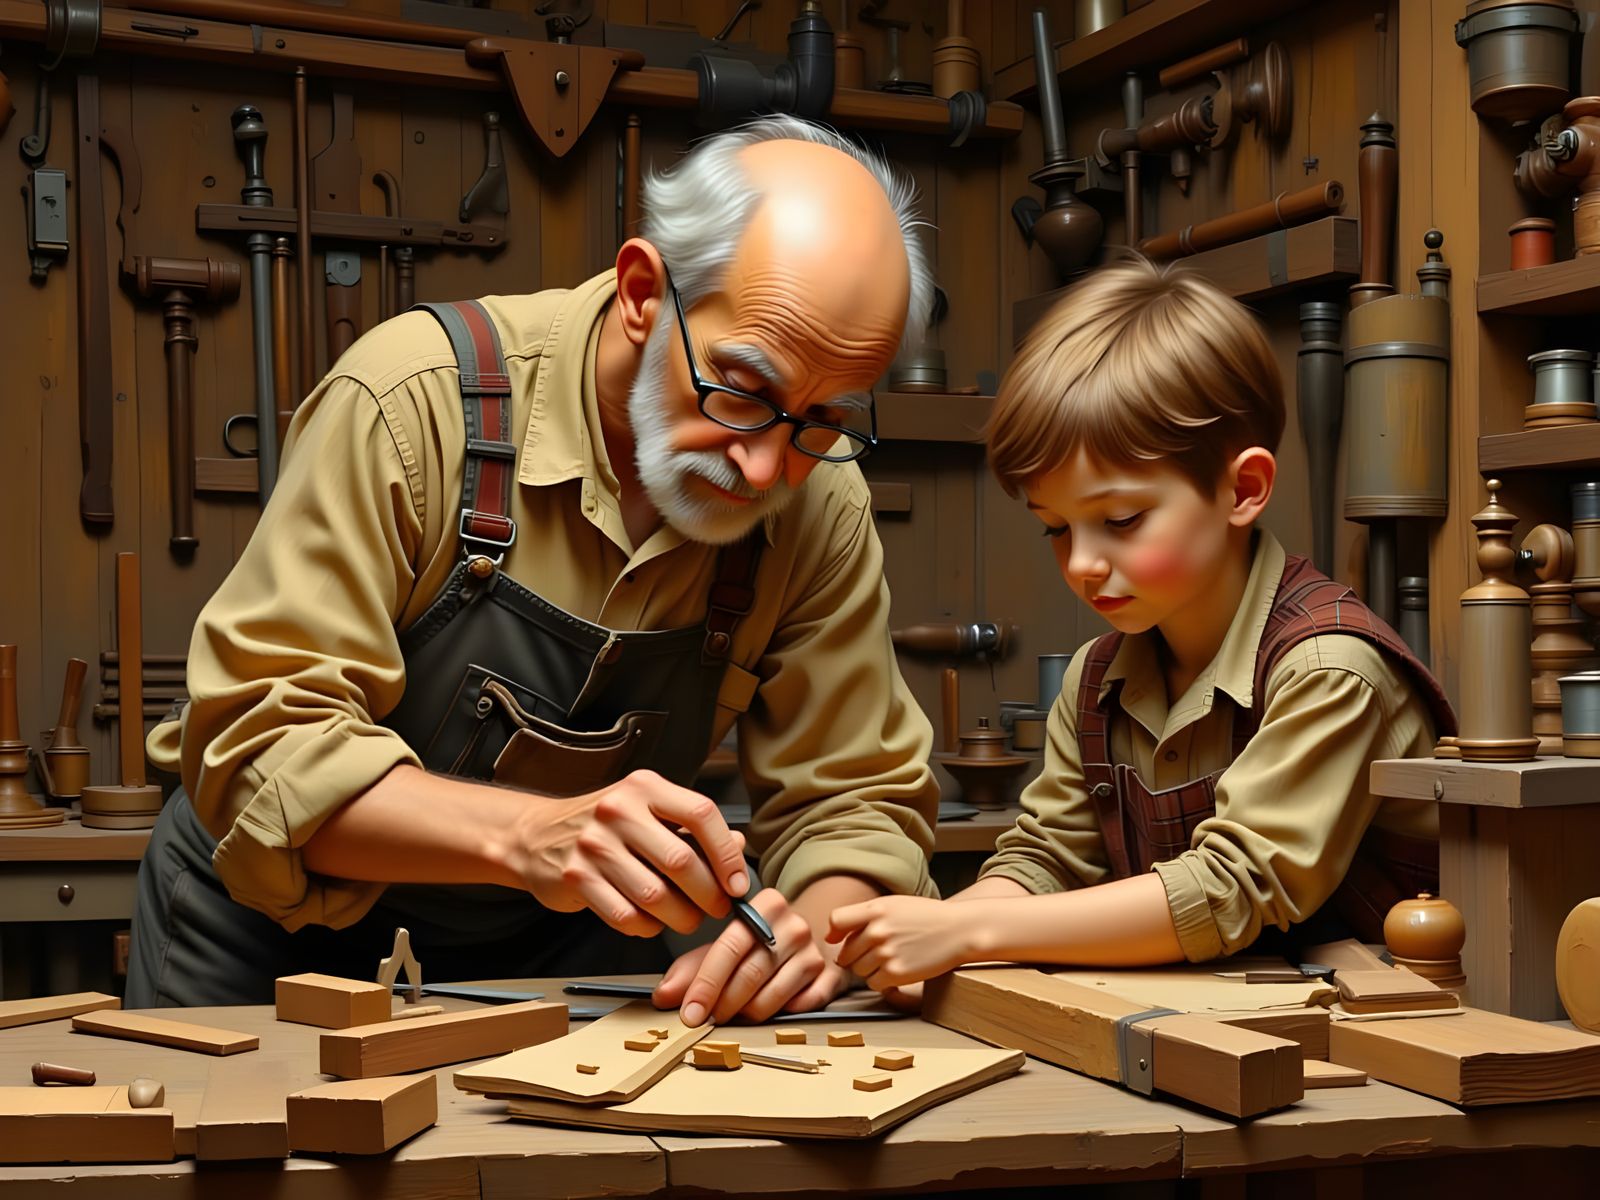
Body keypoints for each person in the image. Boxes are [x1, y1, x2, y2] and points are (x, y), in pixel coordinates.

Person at [127, 115, 940, 1027]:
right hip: (271, 935)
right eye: (743, 392)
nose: (764, 470)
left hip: (565, 955)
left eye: (822, 421)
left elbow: (856, 798)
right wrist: (530, 834)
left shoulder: (816, 501)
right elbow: (262, 746)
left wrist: (807, 935)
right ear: (642, 293)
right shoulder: (411, 403)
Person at [828, 258, 1456, 992]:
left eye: (1121, 520)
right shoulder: (1094, 682)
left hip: (1378, 1032)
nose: (1081, 564)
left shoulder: (1329, 670)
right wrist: (911, 938)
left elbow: (1232, 887)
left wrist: (964, 933)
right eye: (1055, 528)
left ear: (1243, 488)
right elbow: (1049, 859)